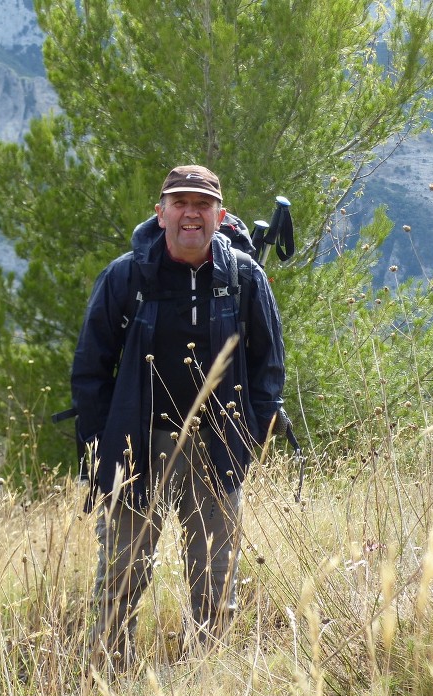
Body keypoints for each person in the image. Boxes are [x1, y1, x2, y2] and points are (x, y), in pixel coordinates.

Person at [71, 164, 286, 670]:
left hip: (217, 448)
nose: (192, 213)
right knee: (119, 582)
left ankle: (205, 688)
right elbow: (90, 370)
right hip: (136, 447)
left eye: (203, 204)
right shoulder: (126, 275)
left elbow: (268, 365)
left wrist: (246, 438)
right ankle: (104, 686)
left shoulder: (244, 277)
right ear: (161, 212)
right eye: (181, 202)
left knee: (214, 584)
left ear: (220, 214)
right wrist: (101, 450)